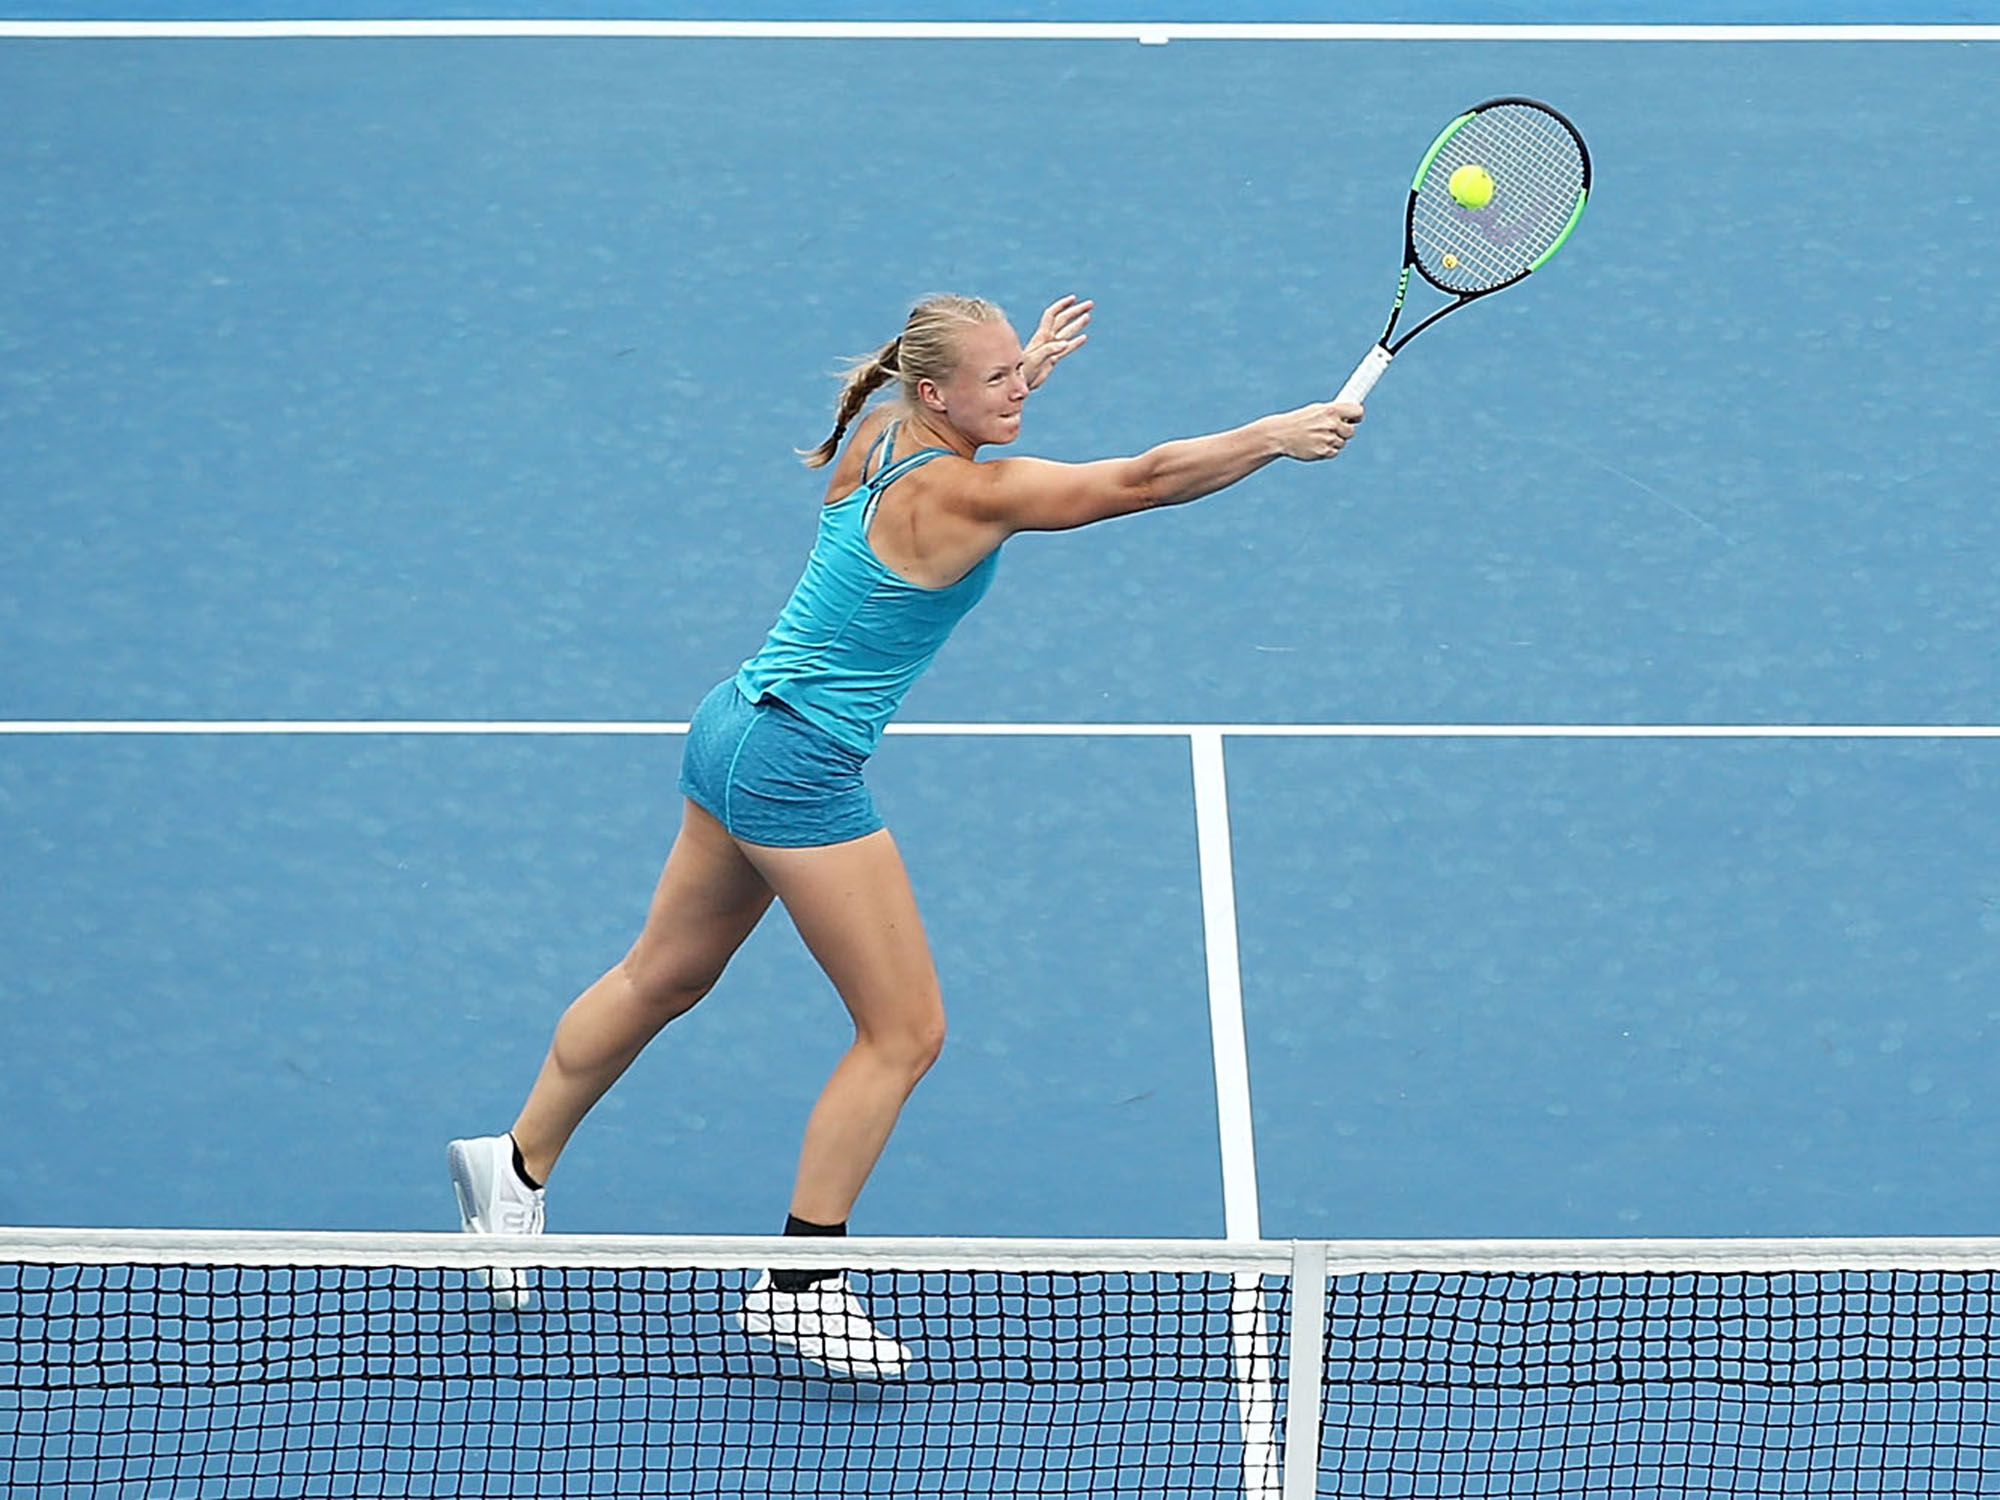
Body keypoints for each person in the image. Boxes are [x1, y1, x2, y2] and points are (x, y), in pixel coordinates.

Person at [448, 292, 1362, 1375]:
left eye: (1022, 371)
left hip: (731, 728)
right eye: (997, 379)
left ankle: (511, 1165)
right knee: (903, 1034)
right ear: (933, 392)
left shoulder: (881, 434)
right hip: (796, 771)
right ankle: (798, 1285)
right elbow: (1144, 479)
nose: (1019, 388)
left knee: (662, 976)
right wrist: (1275, 434)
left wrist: (1007, 384)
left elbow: (976, 417)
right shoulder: (967, 498)